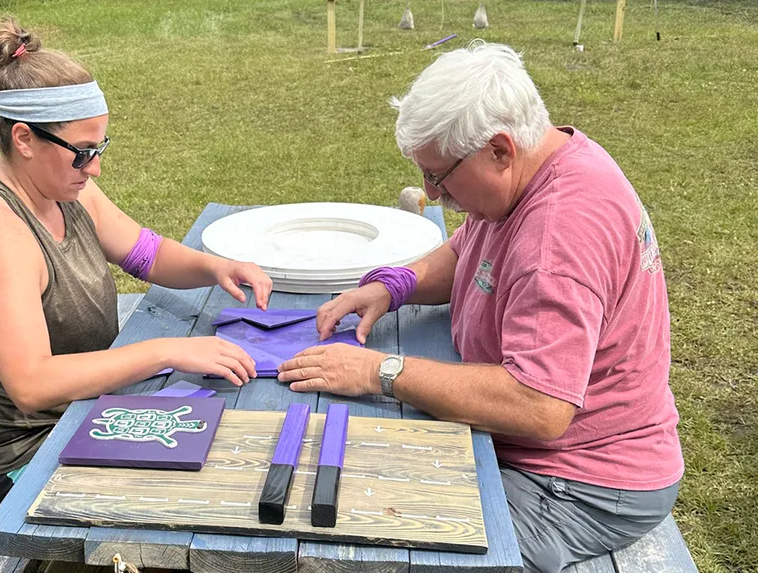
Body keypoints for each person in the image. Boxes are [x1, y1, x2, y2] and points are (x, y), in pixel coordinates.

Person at [277, 41, 683, 573]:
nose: (429, 191)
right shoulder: (538, 166)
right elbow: (470, 245)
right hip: (549, 452)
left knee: (384, 543)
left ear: (499, 149)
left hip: (582, 480)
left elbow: (538, 405)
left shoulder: (556, 238)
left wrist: (381, 370)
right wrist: (394, 286)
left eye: (439, 177)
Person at [0, 16, 272, 500]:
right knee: (226, 485)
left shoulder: (66, 189)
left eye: (100, 147)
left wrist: (215, 266)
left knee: (245, 435)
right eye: (81, 152)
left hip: (86, 411)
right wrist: (163, 351)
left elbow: (145, 252)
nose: (94, 167)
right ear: (24, 139)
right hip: (26, 450)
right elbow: (30, 384)